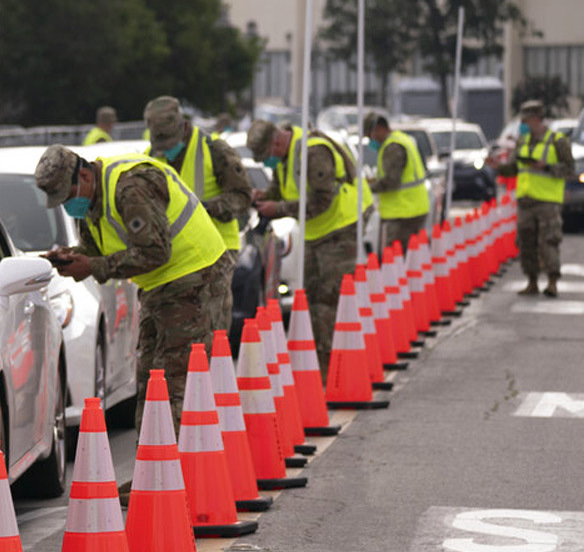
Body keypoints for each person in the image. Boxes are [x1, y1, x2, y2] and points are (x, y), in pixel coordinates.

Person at [34, 144, 231, 444]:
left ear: (84, 175)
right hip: (160, 286)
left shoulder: (131, 187)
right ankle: (153, 473)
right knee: (152, 381)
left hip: (194, 278)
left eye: (68, 196)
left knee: (175, 383)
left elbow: (155, 251)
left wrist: (94, 266)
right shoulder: (91, 200)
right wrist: (74, 257)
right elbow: (102, 249)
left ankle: (176, 477)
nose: (68, 206)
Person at [248, 119, 362, 377]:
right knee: (311, 300)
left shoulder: (313, 153)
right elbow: (281, 190)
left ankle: (335, 372)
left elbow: (322, 200)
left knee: (327, 304)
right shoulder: (287, 156)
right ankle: (321, 371)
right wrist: (264, 196)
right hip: (316, 234)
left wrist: (278, 209)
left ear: (276, 141)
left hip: (337, 234)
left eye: (267, 156)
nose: (268, 162)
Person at [145, 96, 251, 269]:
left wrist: (206, 208)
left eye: (169, 142)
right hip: (174, 257)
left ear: (183, 126)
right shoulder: (149, 158)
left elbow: (242, 197)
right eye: (161, 145)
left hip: (217, 252)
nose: (166, 149)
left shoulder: (214, 150)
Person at [489, 99, 575, 297]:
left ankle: (552, 282)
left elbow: (570, 169)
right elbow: (514, 169)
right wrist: (498, 166)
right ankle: (532, 280)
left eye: (526, 121)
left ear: (536, 119)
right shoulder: (523, 142)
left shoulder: (558, 141)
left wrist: (546, 167)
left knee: (549, 241)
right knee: (526, 241)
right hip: (525, 200)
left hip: (547, 201)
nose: (523, 125)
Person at [363, 111, 430, 253]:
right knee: (410, 256)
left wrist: (367, 187)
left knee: (395, 257)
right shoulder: (402, 139)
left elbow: (391, 181)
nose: (370, 140)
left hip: (402, 213)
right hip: (413, 209)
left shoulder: (392, 147)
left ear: (380, 129)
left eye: (370, 135)